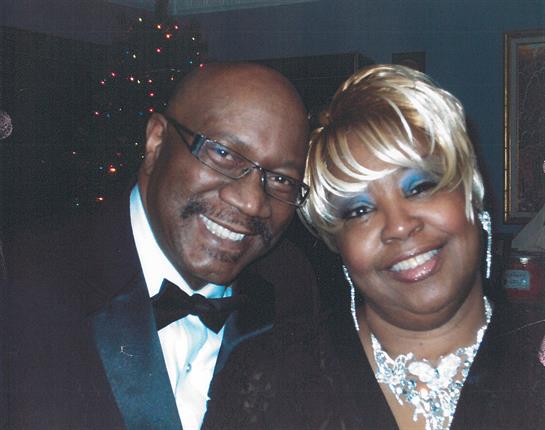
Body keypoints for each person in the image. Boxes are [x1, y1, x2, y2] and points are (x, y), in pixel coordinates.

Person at [5, 63, 319, 430]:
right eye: (223, 153)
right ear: (156, 143)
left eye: (281, 179)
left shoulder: (290, 286)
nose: (252, 202)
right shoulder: (19, 280)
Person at [299, 64, 545, 430]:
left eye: (420, 187)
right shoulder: (275, 376)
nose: (399, 226)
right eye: (360, 210)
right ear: (336, 242)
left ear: (471, 193)